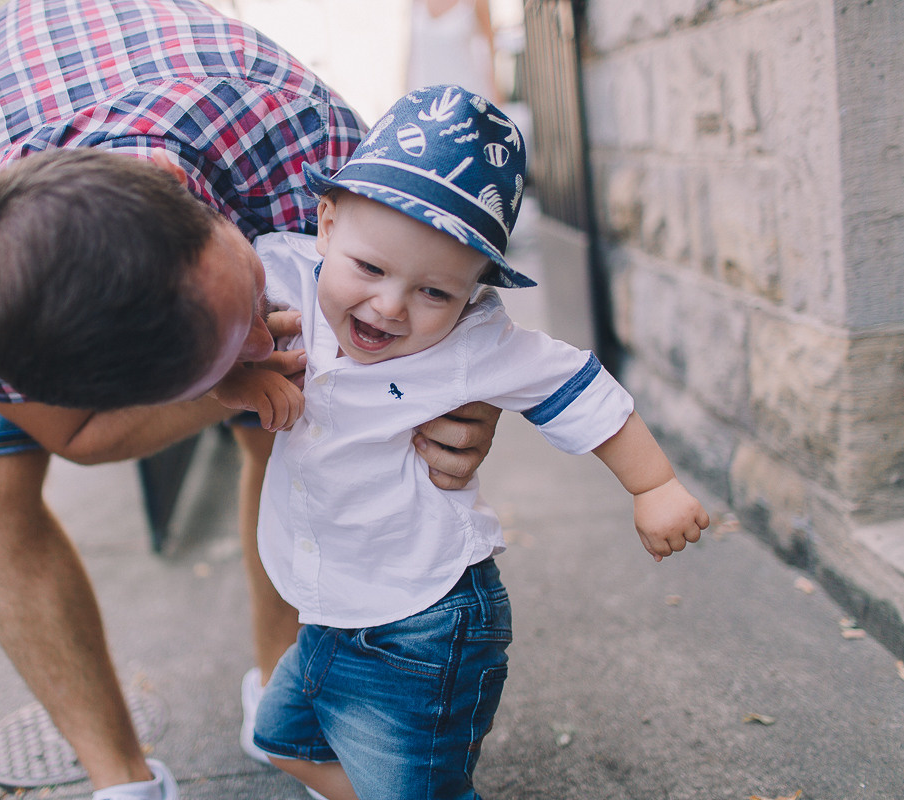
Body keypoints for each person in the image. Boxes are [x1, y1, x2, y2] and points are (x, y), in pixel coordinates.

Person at [0, 3, 502, 798]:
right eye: (224, 356)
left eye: (253, 292)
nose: (268, 334)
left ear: (188, 200)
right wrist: (227, 387)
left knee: (289, 412)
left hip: (201, 115)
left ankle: (281, 689)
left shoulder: (301, 136)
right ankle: (121, 779)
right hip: (1, 187)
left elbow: (442, 269)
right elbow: (78, 433)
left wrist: (468, 391)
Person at [222, 85, 710, 800]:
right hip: (329, 608)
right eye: (371, 269)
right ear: (325, 225)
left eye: (434, 293)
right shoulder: (283, 281)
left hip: (424, 624)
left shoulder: (474, 343)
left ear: (475, 291)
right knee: (284, 742)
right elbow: (190, 298)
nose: (389, 306)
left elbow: (572, 381)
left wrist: (654, 485)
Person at [406, 0, 497, 99]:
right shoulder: (416, 3)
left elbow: (489, 47)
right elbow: (413, 52)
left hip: (466, 98)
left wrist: (495, 91)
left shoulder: (476, 3)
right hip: (425, 97)